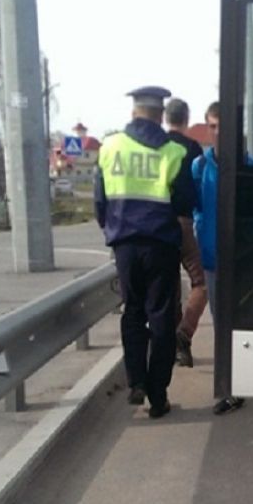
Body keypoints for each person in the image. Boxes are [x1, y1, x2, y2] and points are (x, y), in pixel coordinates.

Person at [95, 86, 195, 419]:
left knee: (133, 312)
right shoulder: (173, 152)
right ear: (160, 114)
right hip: (161, 246)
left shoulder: (110, 147)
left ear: (135, 111)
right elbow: (184, 204)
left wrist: (113, 229)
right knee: (162, 317)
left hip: (125, 246)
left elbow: (100, 201)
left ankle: (136, 381)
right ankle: (158, 394)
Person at [191, 102, 253, 416]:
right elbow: (194, 208)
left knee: (241, 323)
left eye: (223, 126)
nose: (218, 133)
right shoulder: (199, 167)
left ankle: (242, 382)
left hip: (243, 259)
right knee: (221, 324)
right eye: (212, 126)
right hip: (213, 260)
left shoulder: (251, 165)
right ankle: (230, 388)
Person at [163, 97, 208, 368]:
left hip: (156, 225)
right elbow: (197, 187)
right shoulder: (192, 148)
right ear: (186, 119)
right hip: (183, 223)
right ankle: (183, 335)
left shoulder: (156, 146)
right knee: (200, 283)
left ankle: (171, 346)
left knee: (168, 287)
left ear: (167, 118)